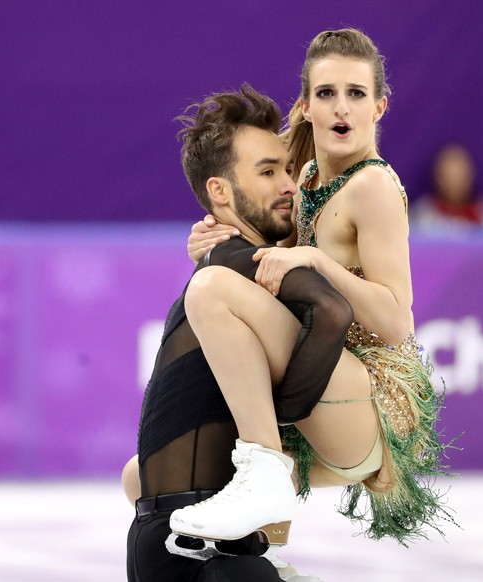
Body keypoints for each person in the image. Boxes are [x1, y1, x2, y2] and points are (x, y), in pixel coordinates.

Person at [175, 28, 456, 550]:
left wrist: (315, 258)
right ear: (305, 106)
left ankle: (266, 475)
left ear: (380, 107)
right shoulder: (304, 176)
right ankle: (272, 561)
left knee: (212, 292)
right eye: (326, 93)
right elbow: (260, 244)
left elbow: (398, 322)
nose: (340, 107)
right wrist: (212, 232)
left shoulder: (370, 186)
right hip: (318, 390)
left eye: (356, 93)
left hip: (369, 401)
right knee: (153, 480)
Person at [127, 84, 354, 581]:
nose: (290, 185)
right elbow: (331, 311)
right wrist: (290, 420)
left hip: (172, 541)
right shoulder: (231, 265)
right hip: (204, 551)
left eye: (288, 170)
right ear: (220, 191)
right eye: (269, 171)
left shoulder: (226, 273)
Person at [411, 143, 483, 228]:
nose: (455, 182)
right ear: (438, 177)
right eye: (449, 175)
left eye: (461, 175)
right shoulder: (422, 213)